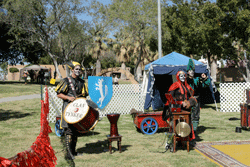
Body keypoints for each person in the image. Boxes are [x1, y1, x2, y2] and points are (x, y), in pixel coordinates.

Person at [55, 61, 88, 160]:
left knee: (75, 130)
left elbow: (84, 95)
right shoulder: (66, 81)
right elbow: (59, 94)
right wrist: (68, 98)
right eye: (76, 69)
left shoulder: (82, 82)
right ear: (72, 70)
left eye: (79, 69)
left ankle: (74, 152)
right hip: (68, 109)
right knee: (69, 131)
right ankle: (68, 154)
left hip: (78, 110)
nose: (78, 71)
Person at [162, 71, 197, 150]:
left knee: (186, 124)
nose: (183, 77)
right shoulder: (174, 86)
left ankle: (184, 141)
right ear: (178, 76)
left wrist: (190, 102)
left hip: (185, 110)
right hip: (176, 109)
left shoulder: (187, 86)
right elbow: (170, 97)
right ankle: (170, 143)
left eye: (184, 76)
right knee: (174, 125)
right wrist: (181, 103)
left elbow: (190, 96)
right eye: (181, 76)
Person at [186, 59, 210, 145]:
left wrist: (205, 78)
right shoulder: (184, 80)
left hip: (196, 100)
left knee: (195, 116)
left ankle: (194, 131)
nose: (191, 73)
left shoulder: (197, 80)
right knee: (187, 116)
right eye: (190, 71)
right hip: (187, 101)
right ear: (187, 72)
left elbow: (205, 84)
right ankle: (187, 131)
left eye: (192, 71)